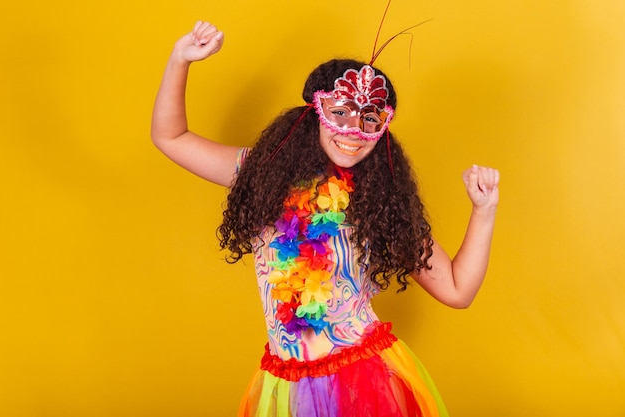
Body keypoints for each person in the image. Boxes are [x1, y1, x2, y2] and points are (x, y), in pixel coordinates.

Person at [151, 20, 499, 417]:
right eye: (341, 113)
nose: (354, 131)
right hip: (285, 381)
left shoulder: (381, 200)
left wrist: (483, 210)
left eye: (370, 119)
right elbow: (171, 137)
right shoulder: (263, 173)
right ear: (315, 113)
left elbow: (457, 290)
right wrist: (181, 59)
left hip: (362, 382)